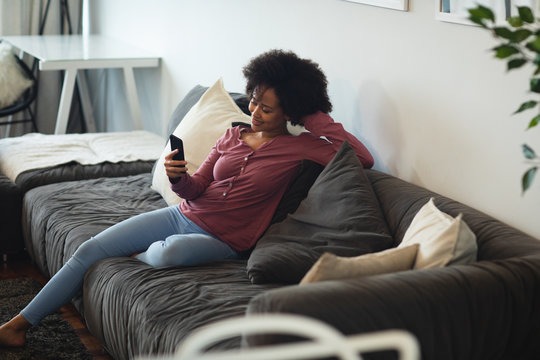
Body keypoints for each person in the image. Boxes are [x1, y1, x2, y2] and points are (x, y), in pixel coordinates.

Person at [0, 49, 373, 347]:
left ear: (291, 110)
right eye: (255, 101)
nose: (255, 112)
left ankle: (139, 255)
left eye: (267, 108)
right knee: (90, 248)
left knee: (168, 253)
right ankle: (19, 324)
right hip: (184, 213)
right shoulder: (232, 134)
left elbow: (362, 159)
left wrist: (316, 118)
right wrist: (178, 178)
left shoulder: (304, 148)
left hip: (225, 239)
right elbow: (196, 188)